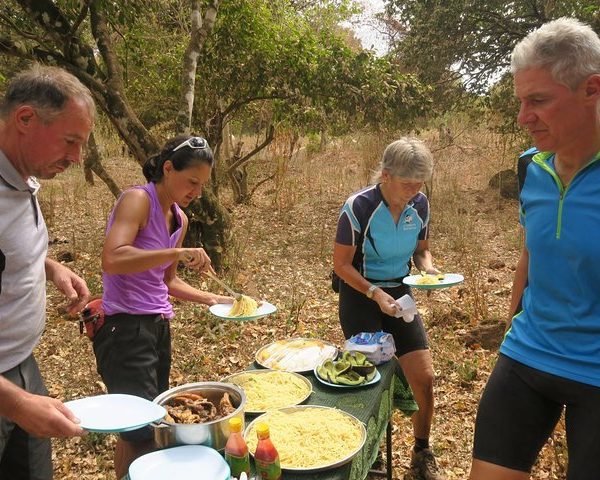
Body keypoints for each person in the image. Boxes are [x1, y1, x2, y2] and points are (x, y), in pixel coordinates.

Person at [469, 17, 600, 480]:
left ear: (592, 89)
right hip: (530, 353)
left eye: (539, 101)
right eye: (521, 101)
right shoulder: (531, 168)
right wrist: (511, 323)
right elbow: (531, 251)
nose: (524, 118)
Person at [94, 134, 233, 478]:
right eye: (191, 182)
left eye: (202, 185)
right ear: (168, 168)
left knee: (152, 421)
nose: (197, 191)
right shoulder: (137, 200)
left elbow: (167, 282)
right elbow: (112, 258)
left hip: (156, 326)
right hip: (125, 328)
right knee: (139, 431)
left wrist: (214, 298)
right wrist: (175, 252)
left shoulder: (180, 219)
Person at [0, 65, 95, 479]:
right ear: (25, 119)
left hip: (22, 365)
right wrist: (15, 403)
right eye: (70, 141)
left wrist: (47, 265)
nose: (76, 158)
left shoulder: (22, 176)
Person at [333, 137, 445, 480]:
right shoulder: (359, 208)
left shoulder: (421, 205)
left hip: (401, 294)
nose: (413, 191)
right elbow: (340, 265)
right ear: (385, 175)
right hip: (361, 292)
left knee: (423, 377)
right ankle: (373, 454)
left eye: (419, 184)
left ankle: (421, 451)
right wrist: (374, 292)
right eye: (406, 183)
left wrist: (428, 269)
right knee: (371, 379)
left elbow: (422, 250)